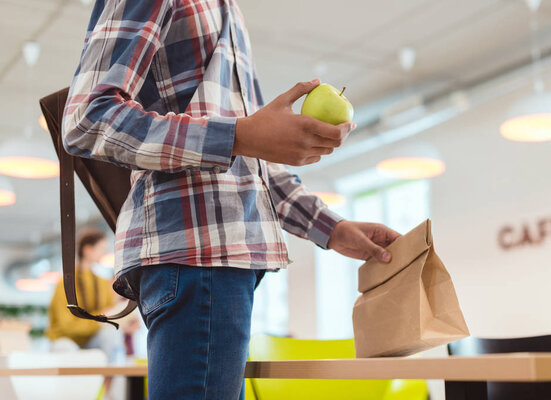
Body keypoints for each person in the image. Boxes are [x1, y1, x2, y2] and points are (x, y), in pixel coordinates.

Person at [61, 1, 401, 399]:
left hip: (219, 260)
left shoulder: (227, 10)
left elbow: (249, 158)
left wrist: (333, 228)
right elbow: (88, 117)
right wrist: (237, 136)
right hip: (197, 254)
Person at [46, 229, 139, 397]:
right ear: (87, 249)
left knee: (110, 335)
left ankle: (106, 394)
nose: (104, 253)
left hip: (91, 339)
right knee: (65, 348)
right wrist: (98, 319)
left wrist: (125, 324)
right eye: (101, 248)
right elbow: (67, 326)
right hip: (67, 339)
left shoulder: (102, 283)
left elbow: (108, 315)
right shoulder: (64, 284)